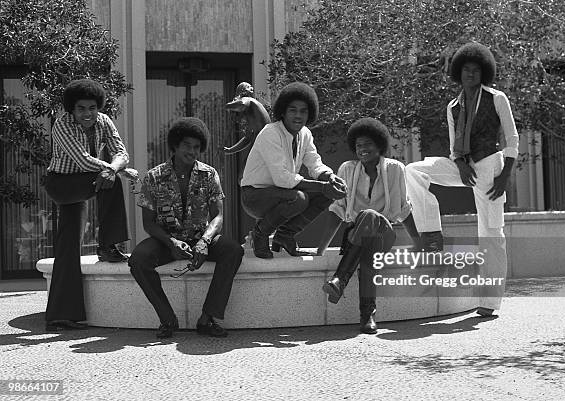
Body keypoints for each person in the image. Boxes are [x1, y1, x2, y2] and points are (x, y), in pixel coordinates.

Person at [404, 42, 519, 317]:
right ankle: (431, 234)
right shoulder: (453, 106)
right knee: (414, 170)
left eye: (476, 69)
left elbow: (512, 139)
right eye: (466, 69)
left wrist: (504, 177)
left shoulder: (496, 98)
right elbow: (455, 146)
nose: (470, 73)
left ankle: (490, 302)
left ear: (483, 72)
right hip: (464, 167)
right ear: (459, 72)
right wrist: (460, 165)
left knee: (491, 233)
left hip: (491, 168)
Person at [129, 117, 243, 339]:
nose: (192, 151)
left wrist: (204, 241)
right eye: (187, 146)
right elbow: (148, 222)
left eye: (197, 147)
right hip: (166, 240)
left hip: (201, 238)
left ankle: (207, 318)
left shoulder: (209, 175)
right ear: (175, 145)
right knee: (138, 259)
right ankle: (167, 318)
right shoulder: (153, 177)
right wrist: (170, 242)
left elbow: (218, 216)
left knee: (233, 250)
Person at [44, 79, 135, 331]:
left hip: (88, 180)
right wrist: (120, 171)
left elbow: (121, 153)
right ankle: (108, 245)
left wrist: (117, 167)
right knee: (111, 179)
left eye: (92, 107)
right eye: (81, 108)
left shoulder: (104, 121)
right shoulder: (62, 125)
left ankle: (61, 315)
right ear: (71, 110)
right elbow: (83, 161)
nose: (88, 114)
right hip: (62, 184)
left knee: (68, 243)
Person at [317, 118, 413, 334]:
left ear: (380, 144)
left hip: (385, 232)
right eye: (359, 145)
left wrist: (420, 243)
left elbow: (404, 210)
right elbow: (337, 209)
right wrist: (320, 249)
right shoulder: (347, 170)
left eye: (368, 144)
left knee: (369, 216)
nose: (363, 149)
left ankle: (341, 279)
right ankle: (367, 315)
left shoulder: (396, 169)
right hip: (359, 237)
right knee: (368, 250)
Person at [240, 82, 347, 259]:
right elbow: (282, 179)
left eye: (303, 111)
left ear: (310, 113)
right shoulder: (270, 133)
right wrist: (321, 186)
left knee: (327, 193)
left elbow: (315, 164)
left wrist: (330, 178)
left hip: (282, 193)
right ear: (282, 111)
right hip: (254, 196)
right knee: (299, 198)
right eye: (293, 110)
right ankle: (260, 234)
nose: (298, 116)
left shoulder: (305, 134)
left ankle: (284, 236)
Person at [223, 82, 271, 155]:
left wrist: (228, 105)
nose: (252, 87)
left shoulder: (248, 99)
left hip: (265, 143)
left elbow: (242, 104)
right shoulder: (251, 115)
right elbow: (248, 138)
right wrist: (230, 150)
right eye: (249, 87)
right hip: (264, 143)